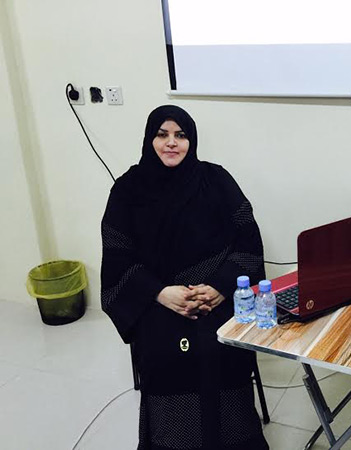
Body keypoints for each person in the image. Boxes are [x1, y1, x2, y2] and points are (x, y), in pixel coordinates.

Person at [100, 105, 269, 450]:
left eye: (180, 135)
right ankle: (175, 441)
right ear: (149, 140)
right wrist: (160, 293)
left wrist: (221, 286)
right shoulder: (127, 190)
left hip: (218, 294)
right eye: (162, 135)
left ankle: (236, 439)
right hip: (157, 301)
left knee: (225, 348)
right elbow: (117, 257)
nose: (171, 143)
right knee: (170, 355)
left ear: (191, 140)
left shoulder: (216, 179)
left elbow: (248, 237)